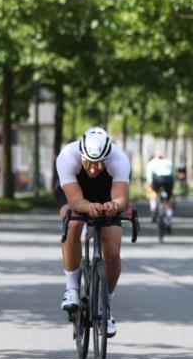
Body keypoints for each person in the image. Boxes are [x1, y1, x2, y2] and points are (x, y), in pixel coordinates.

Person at [54, 127, 131, 338]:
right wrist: (88, 208)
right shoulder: (67, 157)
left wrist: (112, 207)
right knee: (73, 224)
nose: (94, 169)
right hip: (75, 190)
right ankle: (71, 288)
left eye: (99, 164)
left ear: (107, 158)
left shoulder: (119, 159)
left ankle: (105, 307)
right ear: (81, 156)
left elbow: (120, 199)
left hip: (106, 191)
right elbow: (76, 201)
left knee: (113, 250)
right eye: (89, 163)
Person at [146, 151, 176, 231]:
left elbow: (149, 176)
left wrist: (150, 183)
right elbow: (173, 174)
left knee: (154, 192)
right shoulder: (169, 162)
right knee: (167, 200)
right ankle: (169, 218)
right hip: (168, 179)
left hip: (157, 179)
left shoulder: (152, 163)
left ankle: (153, 209)